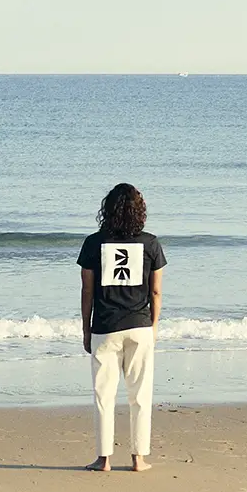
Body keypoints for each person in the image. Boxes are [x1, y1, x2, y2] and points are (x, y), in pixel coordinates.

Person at [77, 183, 166, 472]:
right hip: (139, 326)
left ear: (108, 209)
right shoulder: (150, 243)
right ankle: (139, 459)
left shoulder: (93, 243)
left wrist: (86, 329)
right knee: (140, 394)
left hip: (105, 327)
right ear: (139, 211)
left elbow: (87, 290)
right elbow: (155, 292)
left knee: (104, 394)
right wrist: (153, 326)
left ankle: (104, 459)